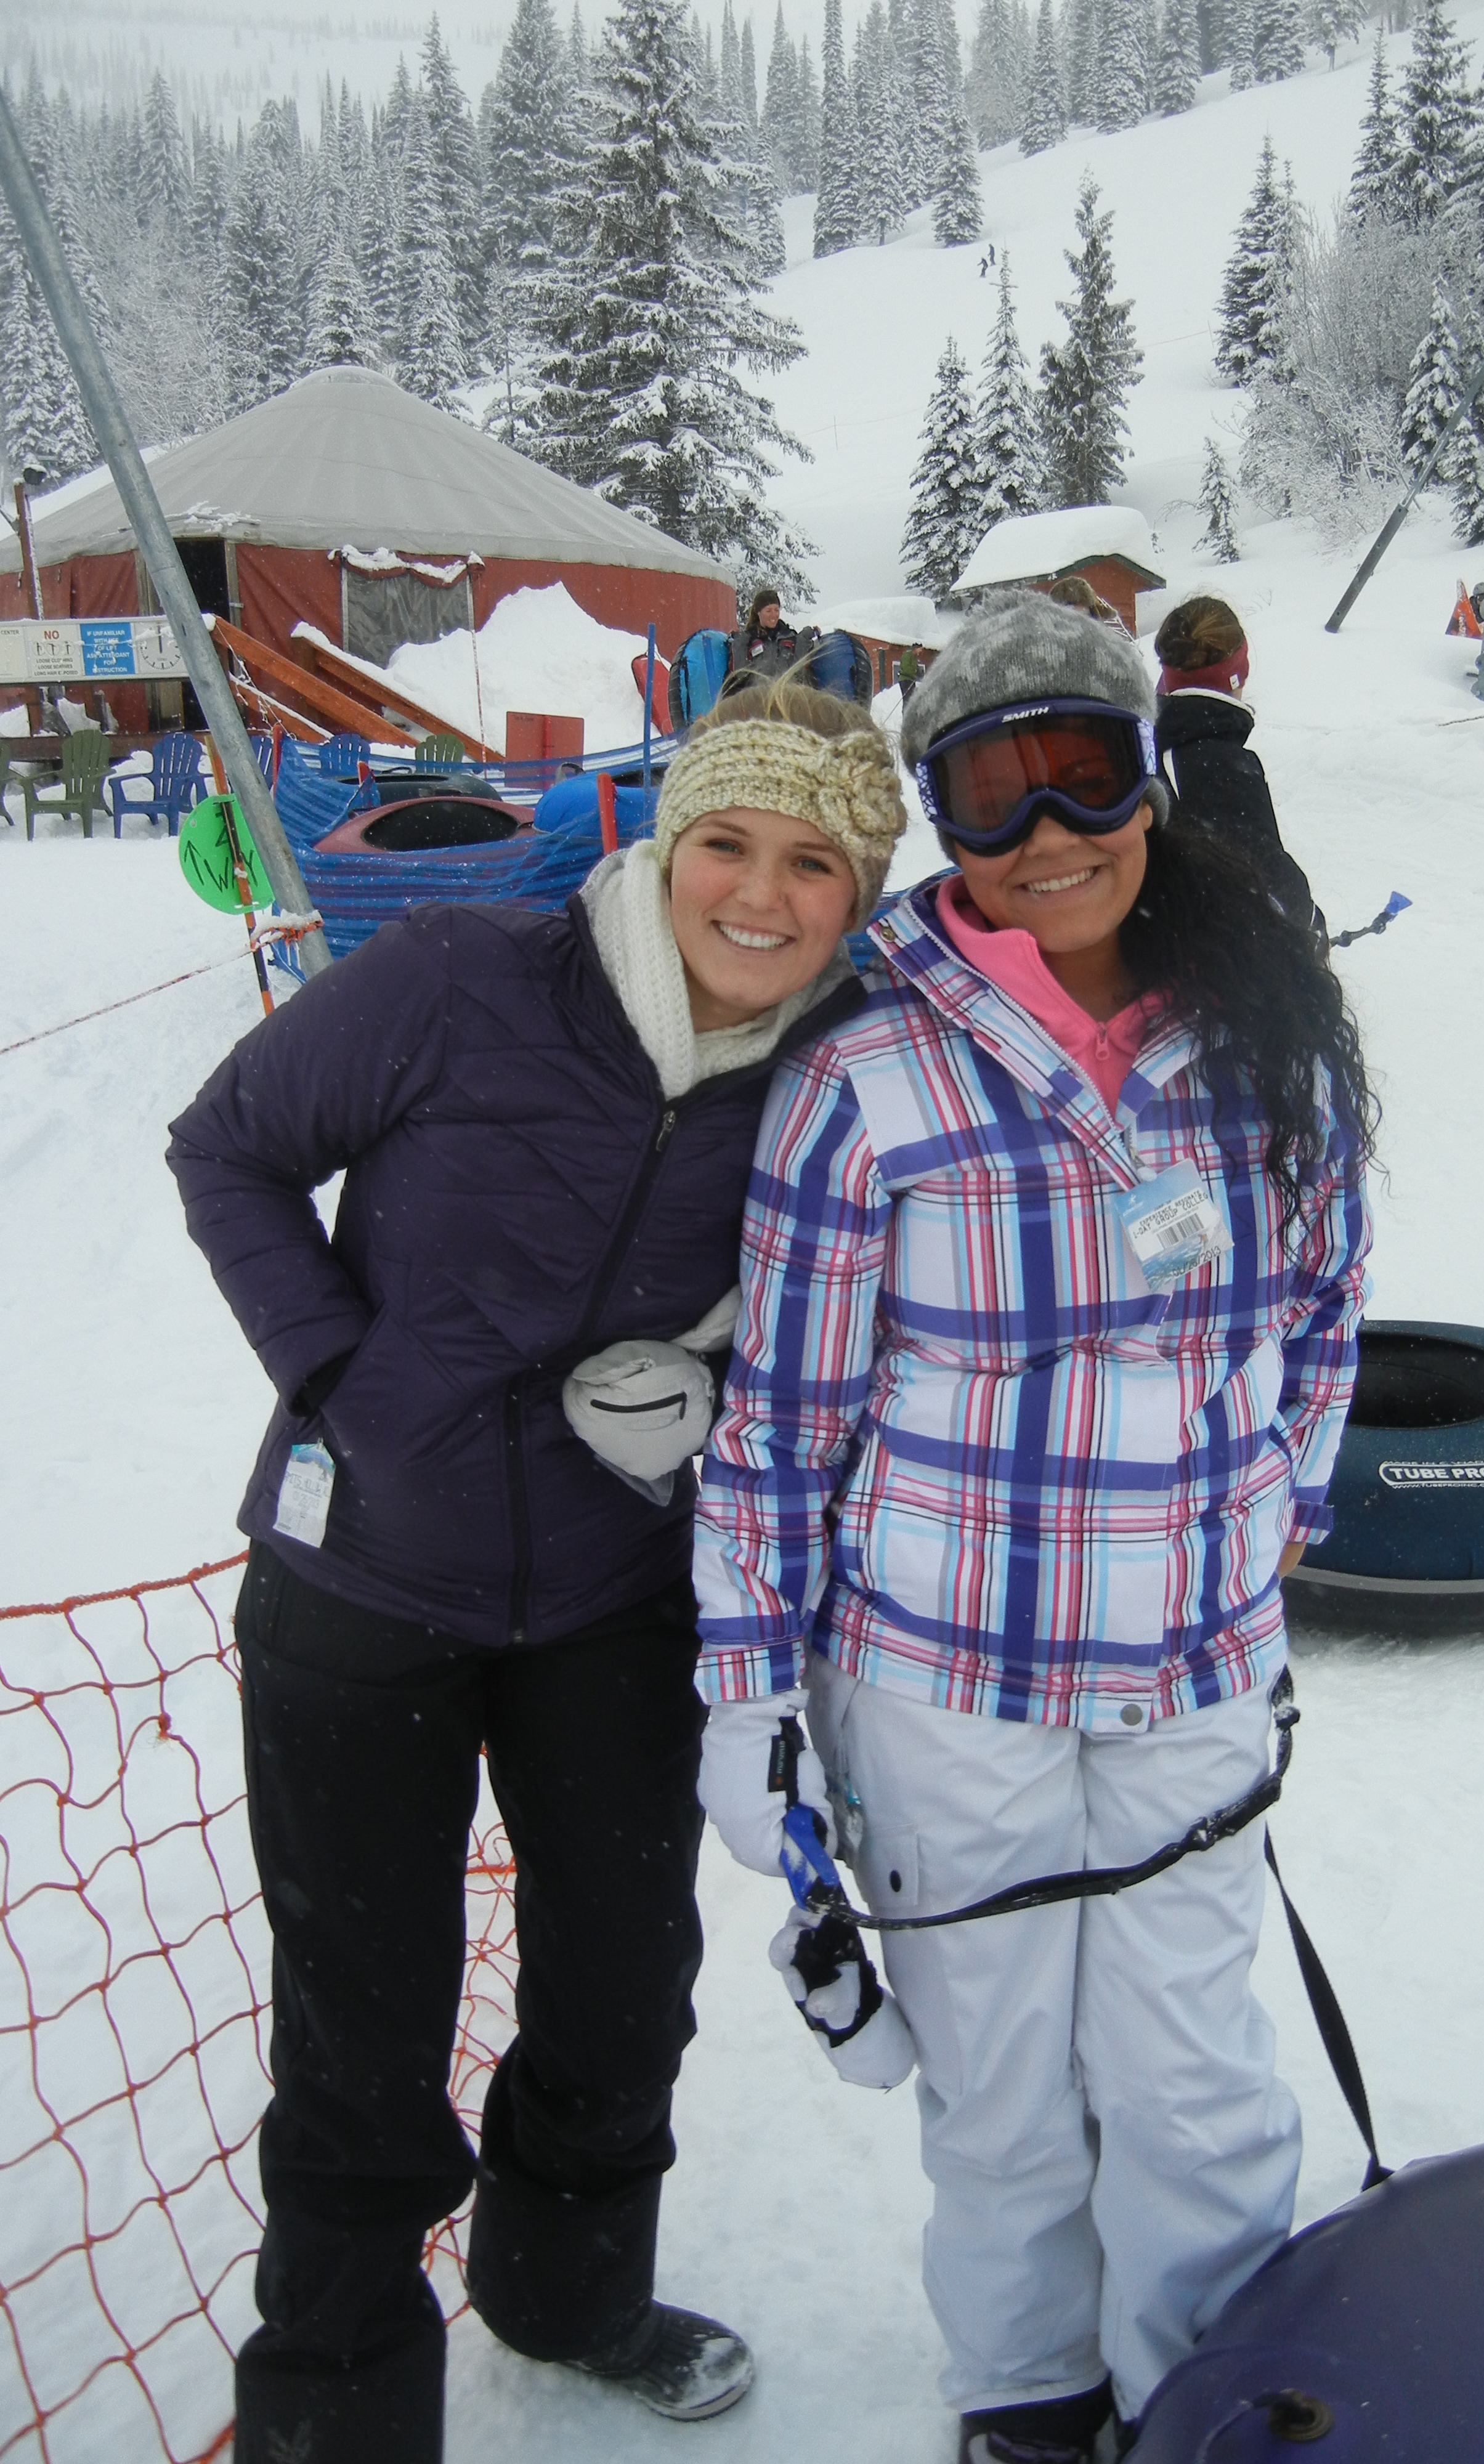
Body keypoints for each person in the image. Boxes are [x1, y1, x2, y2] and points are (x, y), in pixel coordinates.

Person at [166, 676, 906, 2464]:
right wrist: (342, 1376)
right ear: (663, 845)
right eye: (725, 841)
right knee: (360, 2031)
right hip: (362, 1579)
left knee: (621, 1991)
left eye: (813, 862)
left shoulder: (848, 1063)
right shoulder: (460, 979)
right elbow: (230, 1149)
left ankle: (569, 2298)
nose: (760, 893)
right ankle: (336, 2408)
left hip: (615, 1585)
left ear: (860, 894)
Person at [692, 596, 1376, 2463]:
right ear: (941, 816)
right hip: (945, 1680)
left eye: (1086, 771)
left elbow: (1323, 1313)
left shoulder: (1267, 1038)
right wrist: (749, 1695)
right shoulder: (864, 1078)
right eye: (993, 793)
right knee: (997, 2096)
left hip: (1188, 1670)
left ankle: (1194, 2395)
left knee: (1192, 2083)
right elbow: (785, 1423)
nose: (1049, 830)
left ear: (1150, 776)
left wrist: (1278, 1511)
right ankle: (1027, 2398)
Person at [1152, 594, 1313, 922]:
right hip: (1208, 942)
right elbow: (1270, 886)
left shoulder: (1151, 740)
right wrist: (1311, 929)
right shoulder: (1217, 762)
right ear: (1239, 673)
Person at [730, 585, 808, 680]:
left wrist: (804, 638)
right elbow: (740, 674)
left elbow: (798, 670)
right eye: (769, 611)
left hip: (787, 688)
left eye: (776, 610)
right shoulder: (749, 639)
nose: (774, 615)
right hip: (758, 689)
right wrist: (739, 642)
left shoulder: (789, 637)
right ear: (758, 612)